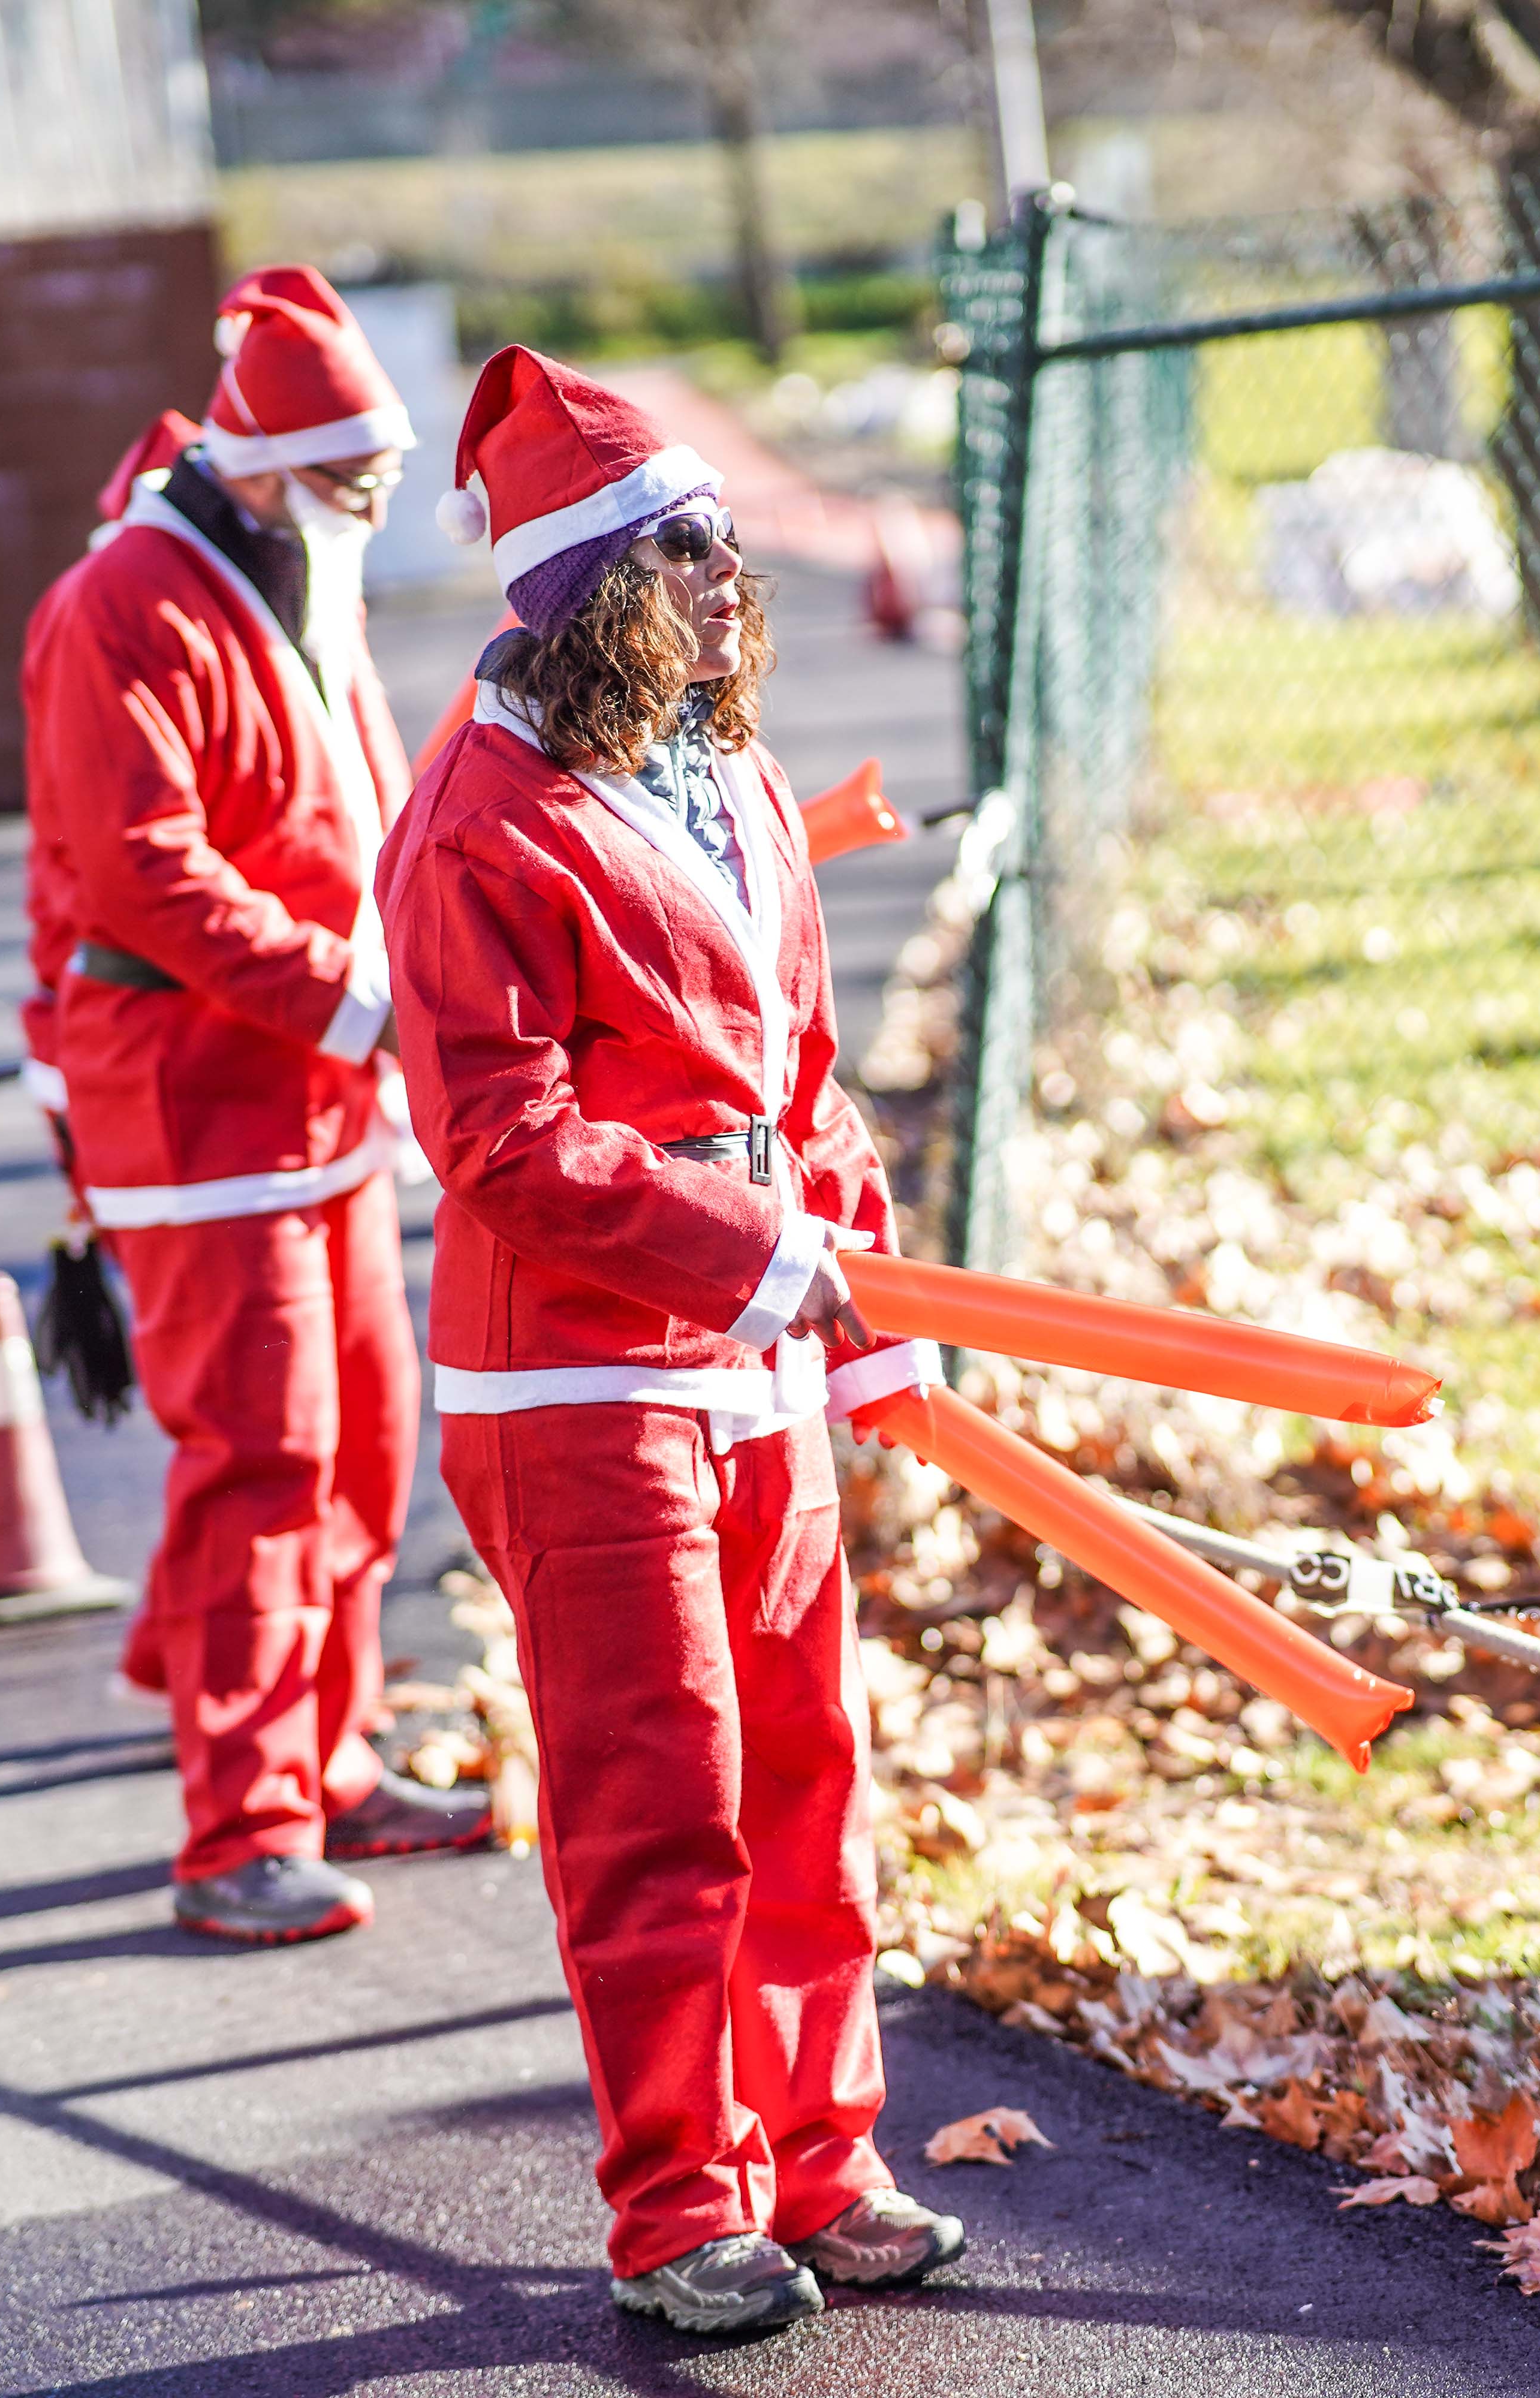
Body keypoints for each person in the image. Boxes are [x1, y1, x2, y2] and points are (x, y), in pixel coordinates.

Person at [375, 348, 965, 2336]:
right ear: (587, 588)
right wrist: (747, 1258)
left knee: (807, 1766)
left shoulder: (720, 772)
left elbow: (801, 1071)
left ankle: (824, 2160)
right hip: (584, 1377)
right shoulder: (478, 816)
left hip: (760, 1341)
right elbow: (501, 1140)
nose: (734, 578)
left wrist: (860, 1300)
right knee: (661, 1796)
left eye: (733, 544)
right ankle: (675, 2210)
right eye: (688, 549)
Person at [19, 266, 489, 1947]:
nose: (384, 506)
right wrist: (354, 993)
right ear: (277, 459)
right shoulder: (124, 603)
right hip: (205, 1104)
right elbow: (143, 874)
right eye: (361, 476)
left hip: (312, 1094)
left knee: (362, 1440)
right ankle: (240, 1827)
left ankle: (331, 1756)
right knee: (264, 1461)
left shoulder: (295, 570)